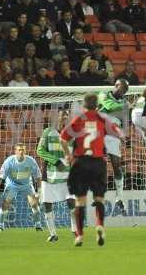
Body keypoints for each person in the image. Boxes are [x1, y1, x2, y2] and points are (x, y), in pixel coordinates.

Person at [60, 93, 124, 247]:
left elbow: (62, 138)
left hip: (81, 162)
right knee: (99, 199)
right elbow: (119, 133)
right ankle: (100, 225)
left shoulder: (79, 119)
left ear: (83, 105)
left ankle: (80, 236)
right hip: (98, 163)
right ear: (97, 106)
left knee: (80, 201)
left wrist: (68, 155)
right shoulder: (102, 118)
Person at [37, 110, 76, 242]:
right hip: (49, 173)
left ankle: (75, 230)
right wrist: (56, 161)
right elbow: (40, 150)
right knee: (47, 204)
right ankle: (53, 233)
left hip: (68, 173)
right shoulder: (48, 132)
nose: (65, 118)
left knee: (71, 201)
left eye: (67, 116)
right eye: (62, 115)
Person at [0, 143, 43, 232]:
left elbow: (38, 177)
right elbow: (0, 178)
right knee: (5, 204)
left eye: (23, 150)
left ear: (25, 151)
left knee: (34, 204)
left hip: (26, 184)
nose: (21, 152)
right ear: (15, 151)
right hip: (12, 184)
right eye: (19, 150)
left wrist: (39, 191)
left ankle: (38, 225)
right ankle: (0, 225)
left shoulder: (31, 161)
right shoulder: (9, 161)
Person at [98, 79, 129, 212]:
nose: (123, 92)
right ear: (116, 86)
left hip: (113, 132)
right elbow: (108, 106)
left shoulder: (124, 101)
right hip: (99, 130)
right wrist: (125, 106)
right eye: (122, 89)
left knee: (116, 164)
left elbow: (123, 119)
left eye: (125, 91)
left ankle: (120, 197)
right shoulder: (103, 93)